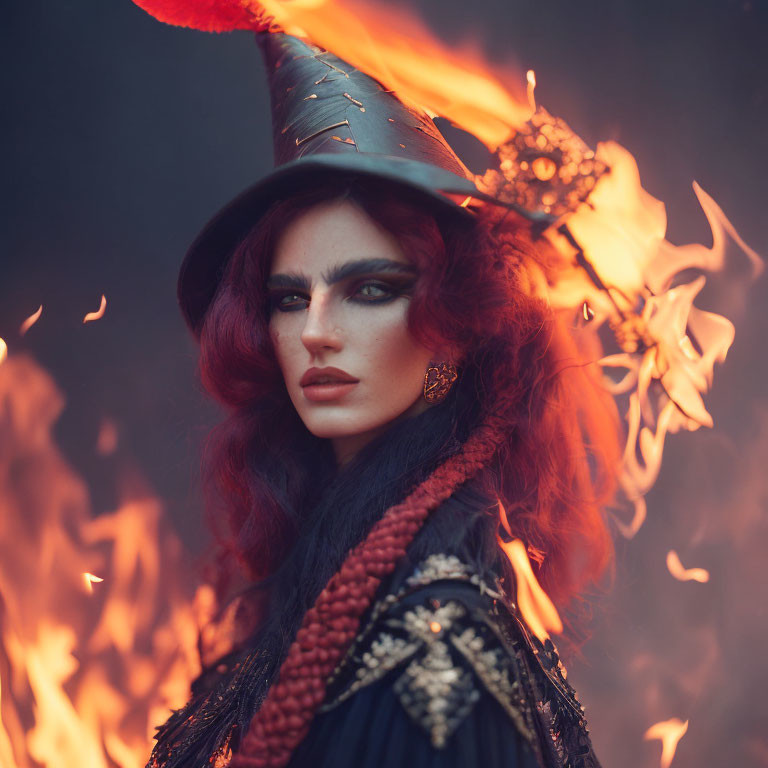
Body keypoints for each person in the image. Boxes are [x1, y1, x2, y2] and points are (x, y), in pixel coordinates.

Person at [134, 6, 624, 767]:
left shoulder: (438, 635)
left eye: (369, 290)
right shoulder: (331, 564)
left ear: (453, 325)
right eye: (289, 298)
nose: (316, 331)